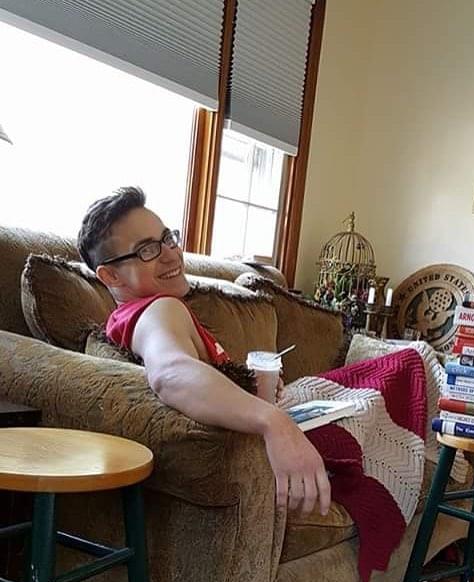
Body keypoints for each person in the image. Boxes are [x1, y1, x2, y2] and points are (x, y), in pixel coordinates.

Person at [77, 186, 330, 516]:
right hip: (265, 447)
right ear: (110, 274)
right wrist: (273, 421)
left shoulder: (137, 315)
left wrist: (251, 390)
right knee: (390, 376)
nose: (171, 254)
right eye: (147, 250)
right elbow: (170, 373)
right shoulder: (159, 310)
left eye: (168, 238)